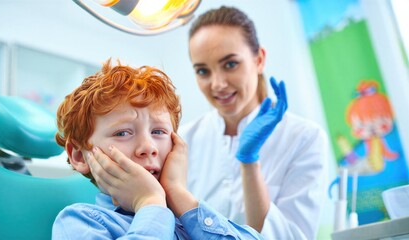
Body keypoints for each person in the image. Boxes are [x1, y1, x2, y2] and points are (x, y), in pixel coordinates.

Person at [88, 6, 329, 240]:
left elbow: (293, 236)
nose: (218, 84)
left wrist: (249, 163)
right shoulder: (181, 139)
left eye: (230, 64)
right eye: (203, 71)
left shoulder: (305, 137)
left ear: (259, 60)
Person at [52, 59, 263, 239]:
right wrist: (149, 202)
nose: (148, 147)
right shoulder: (79, 222)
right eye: (123, 133)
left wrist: (178, 195)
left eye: (159, 132)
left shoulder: (190, 222)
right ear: (80, 156)